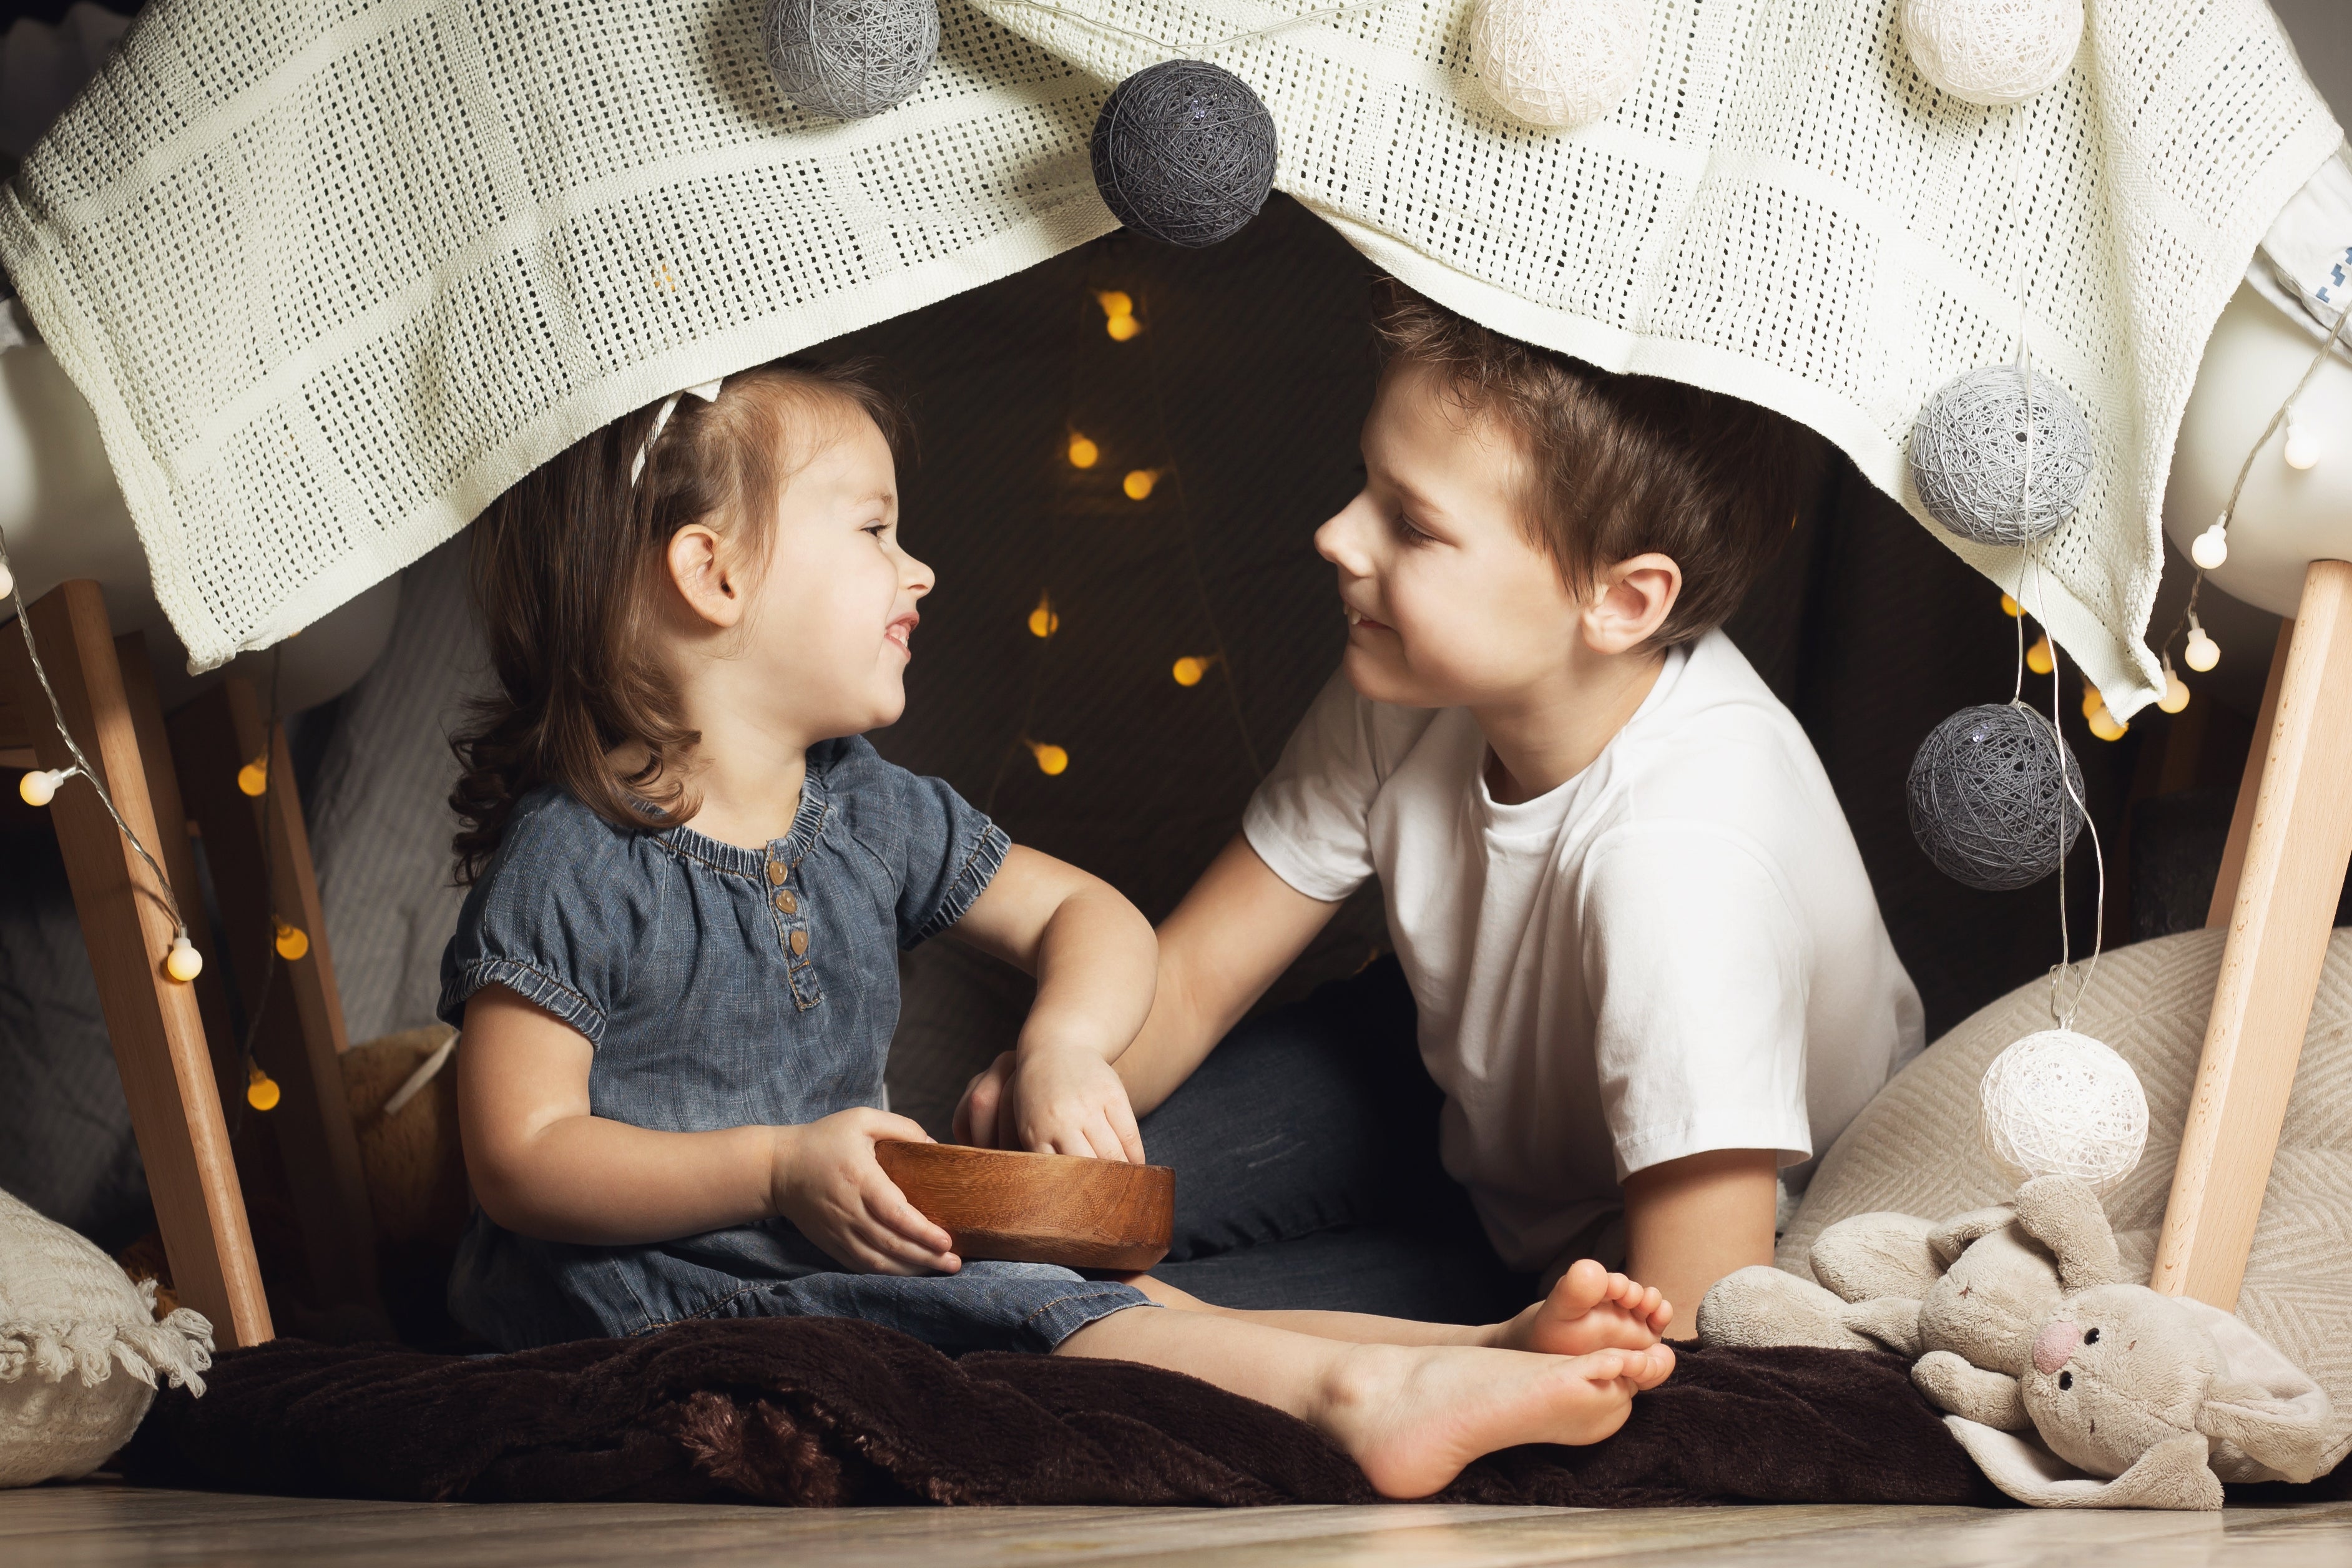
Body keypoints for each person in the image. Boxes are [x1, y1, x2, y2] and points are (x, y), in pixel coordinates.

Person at [438, 358, 1674, 1499]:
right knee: (1027, 1311)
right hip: (649, 1289)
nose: (917, 569)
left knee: (1084, 1282)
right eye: (874, 529)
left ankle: (1470, 1346)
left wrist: (1067, 1044)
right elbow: (520, 1152)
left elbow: (1094, 916)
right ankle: (1356, 1396)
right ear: (715, 576)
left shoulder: (867, 807)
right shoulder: (577, 852)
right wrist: (770, 1167)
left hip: (830, 1245)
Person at [959, 285, 1925, 1330]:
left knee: (1046, 1325)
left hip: (1632, 1252)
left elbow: (1699, 1317)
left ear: (1621, 601)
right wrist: (1057, 1081)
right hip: (1454, 1100)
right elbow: (1190, 980)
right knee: (995, 1229)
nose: (1336, 536)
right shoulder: (1420, 677)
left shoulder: (1681, 862)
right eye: (1361, 485)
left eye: (1411, 524)